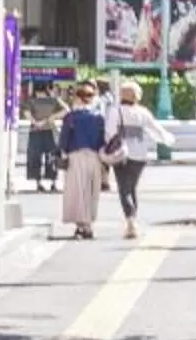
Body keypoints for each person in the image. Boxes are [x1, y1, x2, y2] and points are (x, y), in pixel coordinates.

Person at [108, 78, 161, 239]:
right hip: (140, 155)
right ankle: (132, 220)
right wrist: (167, 139)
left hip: (120, 154)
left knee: (124, 189)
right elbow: (156, 130)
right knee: (132, 188)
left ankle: (130, 222)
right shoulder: (143, 112)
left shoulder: (115, 111)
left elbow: (109, 132)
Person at [59, 82, 109, 238]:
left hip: (75, 156)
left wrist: (61, 153)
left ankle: (81, 225)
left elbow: (63, 141)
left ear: (76, 98)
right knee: (91, 192)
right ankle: (88, 224)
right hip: (94, 157)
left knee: (77, 192)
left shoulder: (71, 117)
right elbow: (103, 140)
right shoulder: (99, 118)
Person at [26, 86, 63, 190]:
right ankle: (53, 182)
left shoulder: (32, 101)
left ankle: (38, 183)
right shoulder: (52, 101)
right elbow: (66, 110)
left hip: (36, 132)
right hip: (49, 131)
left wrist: (36, 123)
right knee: (51, 157)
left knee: (35, 157)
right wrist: (52, 118)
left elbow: (27, 114)